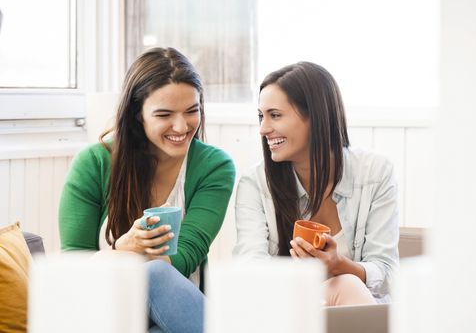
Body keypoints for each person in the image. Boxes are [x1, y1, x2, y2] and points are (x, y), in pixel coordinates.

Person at [59, 47, 236, 332]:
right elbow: (76, 268)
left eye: (192, 111)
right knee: (151, 272)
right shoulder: (93, 163)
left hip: (172, 314)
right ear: (137, 115)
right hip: (104, 313)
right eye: (164, 114)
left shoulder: (214, 166)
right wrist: (123, 248)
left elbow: (184, 258)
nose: (181, 126)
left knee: (156, 278)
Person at [233, 62, 399, 305]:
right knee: (343, 286)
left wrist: (337, 265)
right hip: (287, 311)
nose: (263, 129)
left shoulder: (375, 173)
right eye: (261, 116)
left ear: (316, 116)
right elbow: (252, 269)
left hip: (358, 316)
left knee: (347, 285)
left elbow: (387, 275)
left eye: (275, 115)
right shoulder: (255, 184)